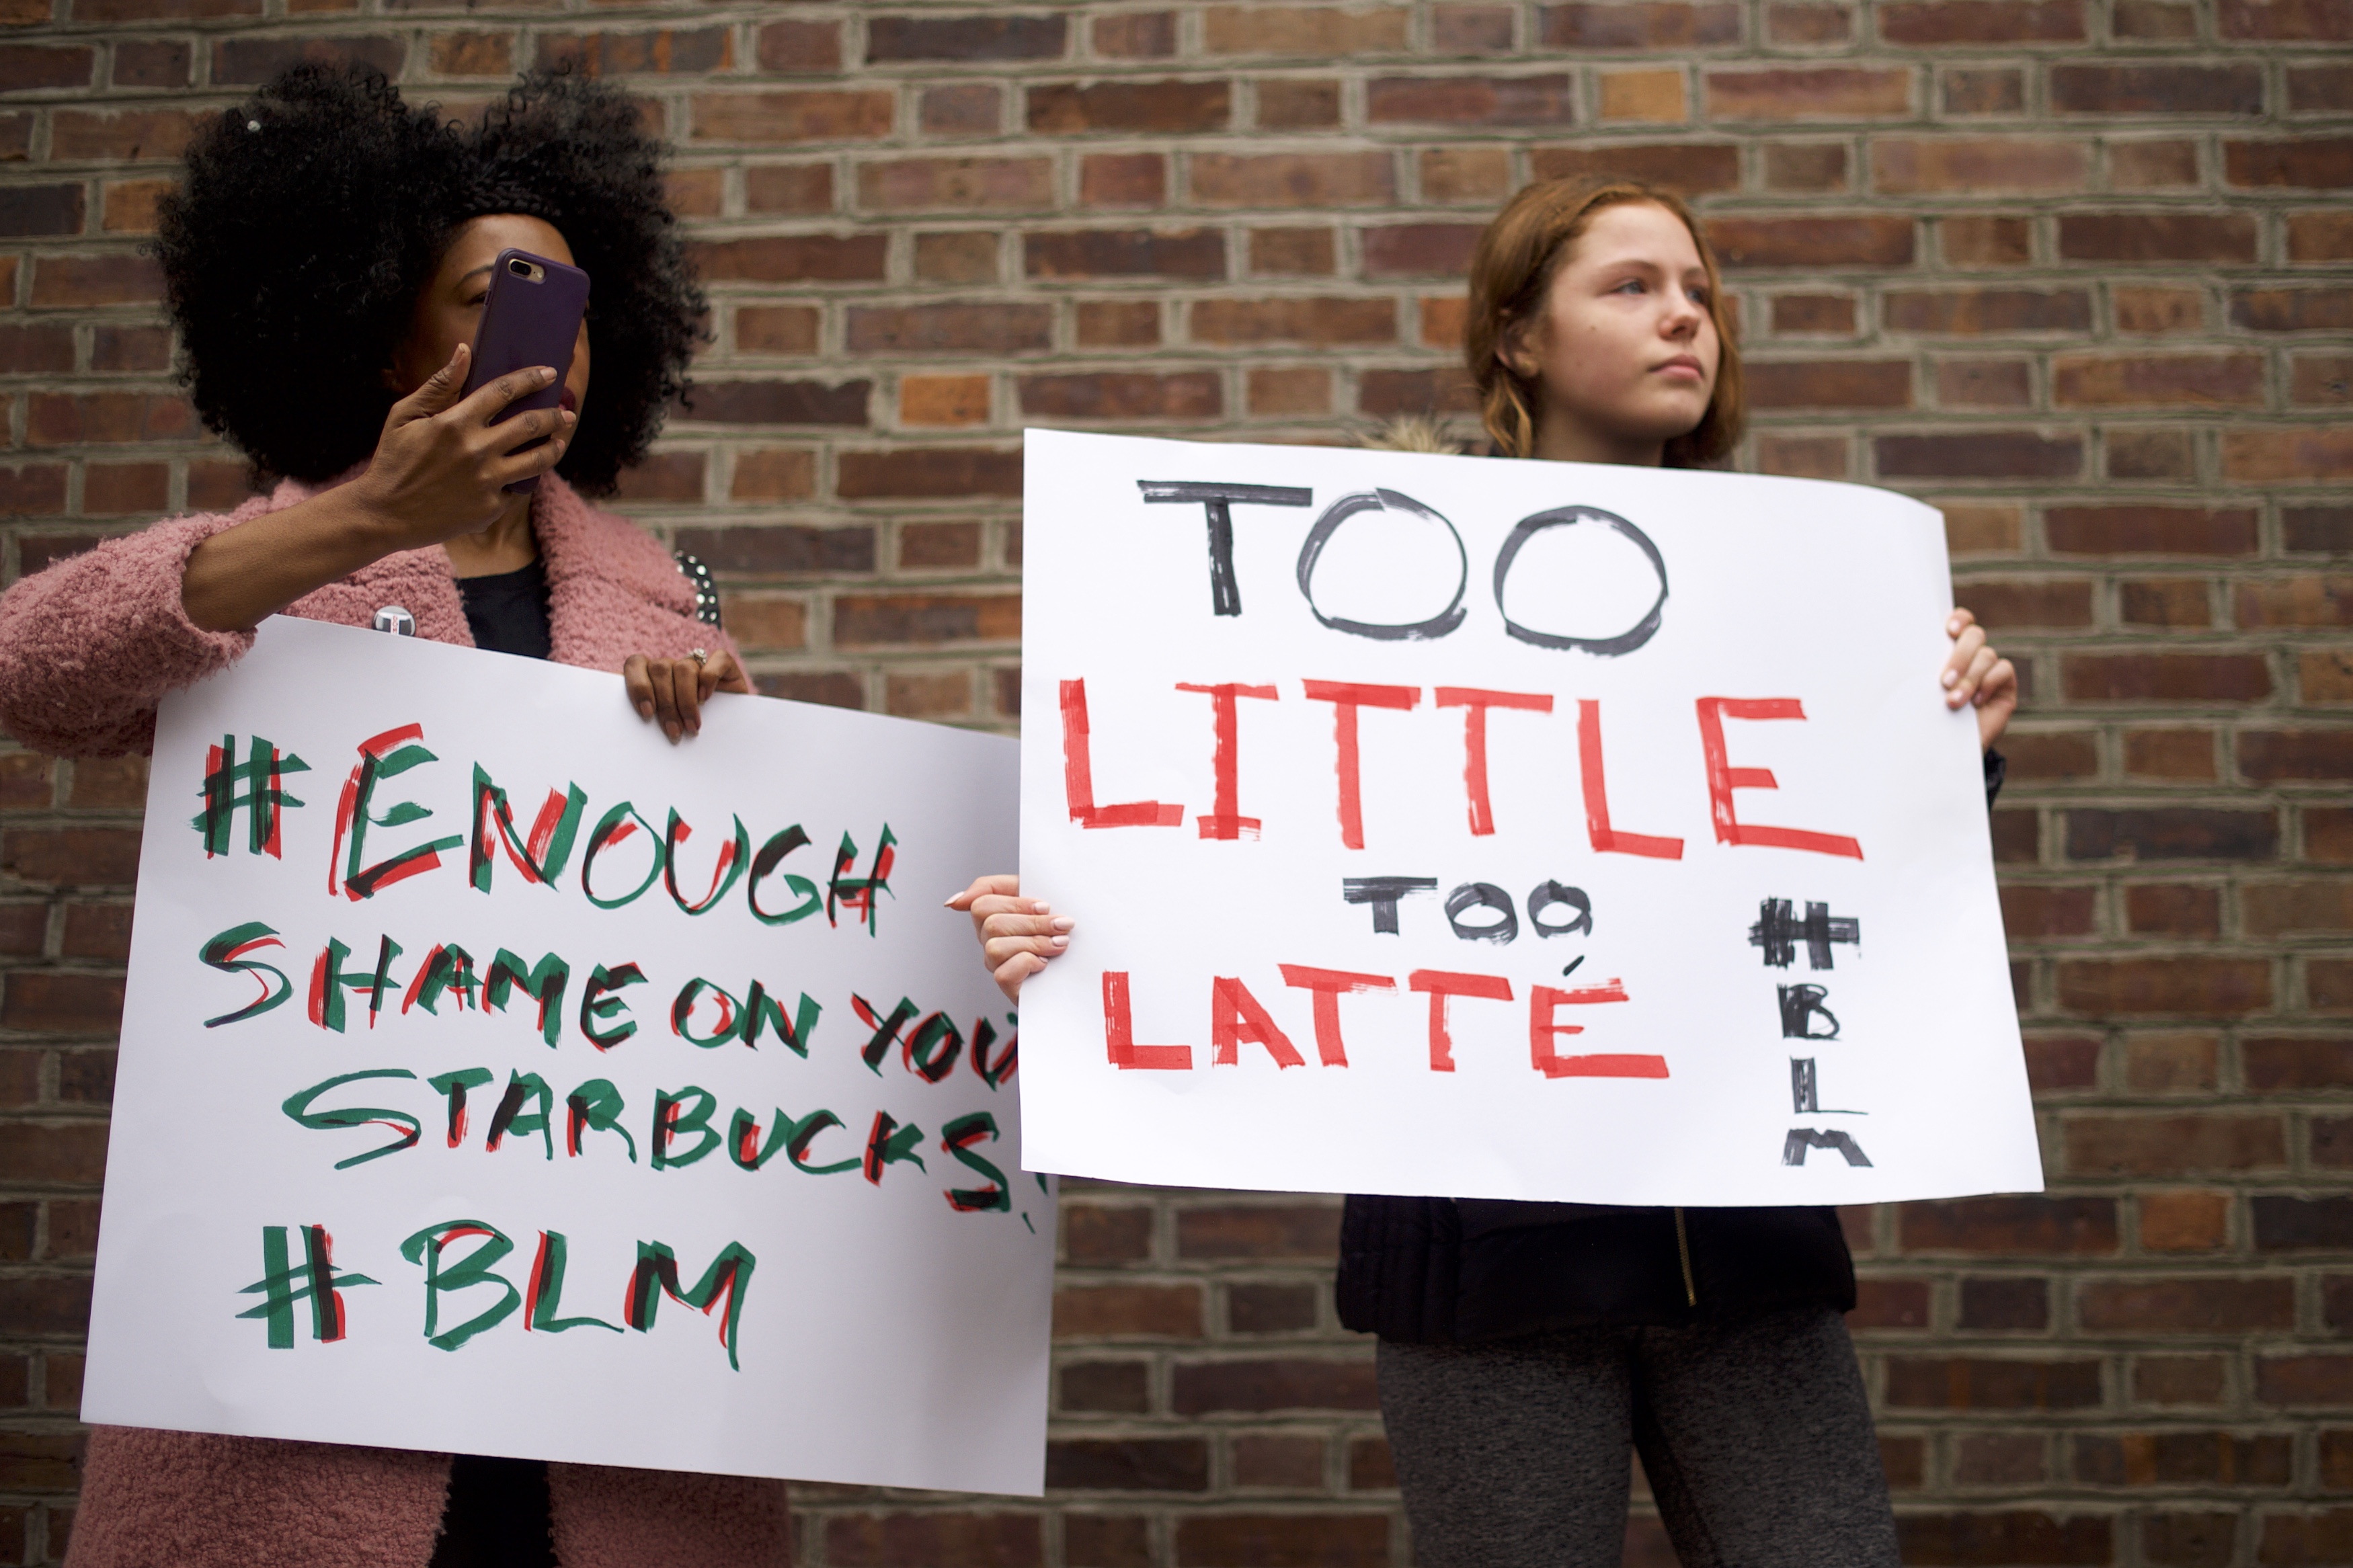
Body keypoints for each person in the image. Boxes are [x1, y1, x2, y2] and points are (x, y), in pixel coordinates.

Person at [951, 175, 2018, 1568]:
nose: (1681, 315)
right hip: (1488, 1272)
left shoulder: (1800, 598)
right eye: (1629, 286)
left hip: (1745, 1260)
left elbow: (1829, 891)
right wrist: (1074, 923)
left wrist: (1953, 761)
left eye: (1695, 289)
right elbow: (1252, 836)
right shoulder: (1375, 597)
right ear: (1516, 337)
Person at [0, 64, 785, 1568]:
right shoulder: (275, 562)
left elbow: (740, 954)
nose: (544, 327)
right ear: (381, 335)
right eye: (499, 290)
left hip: (591, 1309)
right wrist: (365, 517)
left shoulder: (660, 592)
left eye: (570, 297)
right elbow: (37, 670)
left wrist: (730, 751)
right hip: (325, 1309)